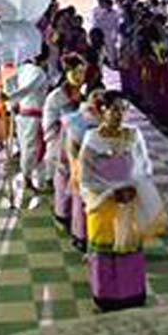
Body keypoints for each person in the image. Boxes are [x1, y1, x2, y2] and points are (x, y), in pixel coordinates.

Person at [79, 91, 165, 311]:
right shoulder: (92, 140)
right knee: (105, 252)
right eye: (114, 108)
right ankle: (105, 297)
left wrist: (135, 187)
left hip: (128, 202)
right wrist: (108, 194)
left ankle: (132, 293)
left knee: (129, 249)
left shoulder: (133, 135)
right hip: (103, 205)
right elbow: (86, 178)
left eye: (123, 108)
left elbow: (144, 166)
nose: (119, 114)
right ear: (102, 110)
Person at [43, 54, 87, 231]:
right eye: (75, 72)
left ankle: (77, 220)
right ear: (67, 72)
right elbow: (49, 124)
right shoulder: (56, 97)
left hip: (80, 145)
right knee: (62, 181)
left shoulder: (83, 94)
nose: (79, 77)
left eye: (82, 72)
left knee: (77, 183)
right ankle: (62, 215)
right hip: (61, 145)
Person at [4, 47, 50, 191]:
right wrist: (11, 98)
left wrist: (11, 101)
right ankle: (28, 179)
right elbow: (28, 88)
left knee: (28, 148)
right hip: (33, 116)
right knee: (32, 149)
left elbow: (8, 82)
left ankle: (35, 178)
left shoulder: (23, 68)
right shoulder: (39, 73)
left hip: (22, 114)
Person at [64, 87, 105, 252]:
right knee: (83, 203)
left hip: (86, 167)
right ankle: (83, 236)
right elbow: (73, 146)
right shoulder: (80, 122)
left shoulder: (77, 120)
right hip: (84, 166)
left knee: (82, 202)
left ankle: (82, 236)